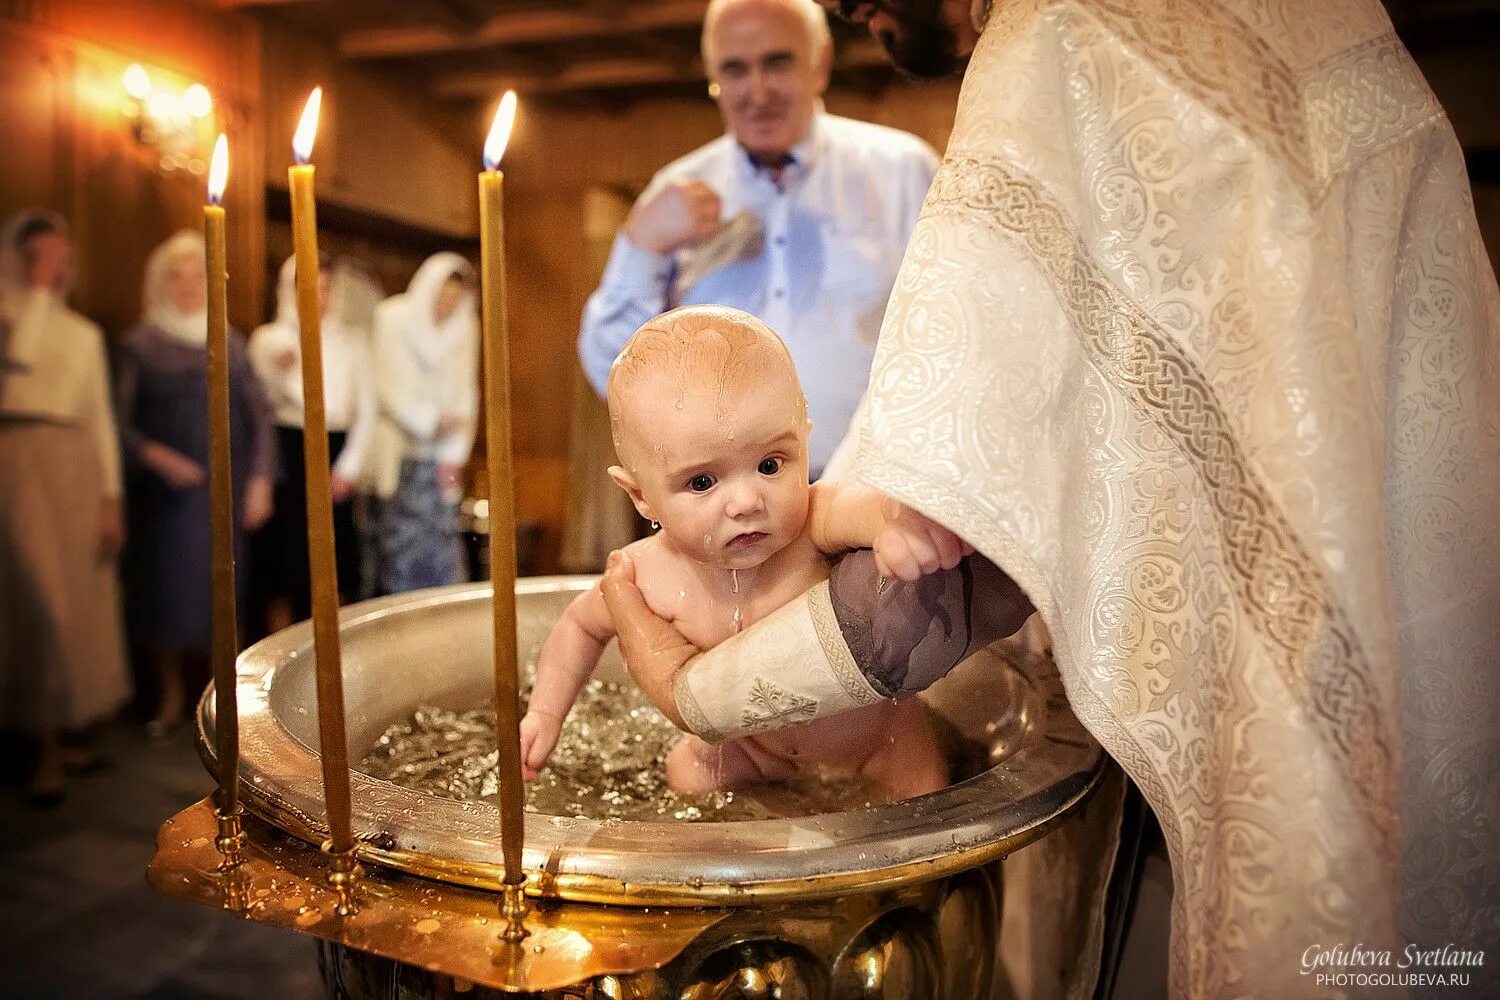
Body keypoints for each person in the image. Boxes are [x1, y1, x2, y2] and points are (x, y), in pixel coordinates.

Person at [597, 1, 1500, 996]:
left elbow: (938, 547)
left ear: (815, 66)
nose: (856, 9)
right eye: (734, 68)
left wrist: (683, 682)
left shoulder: (1057, 40)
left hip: (861, 528)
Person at [521, 306, 957, 799]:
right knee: (689, 771)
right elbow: (581, 625)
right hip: (755, 752)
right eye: (702, 481)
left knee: (921, 798)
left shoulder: (812, 524)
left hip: (879, 743)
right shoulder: (648, 576)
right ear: (641, 495)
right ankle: (758, 847)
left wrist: (895, 525)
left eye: (771, 464)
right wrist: (544, 713)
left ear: (806, 445)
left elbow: (859, 504)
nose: (748, 501)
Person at [577, 0, 938, 478]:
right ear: (712, 76)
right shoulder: (675, 188)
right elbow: (612, 372)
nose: (758, 91)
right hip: (727, 512)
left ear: (821, 63)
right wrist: (640, 246)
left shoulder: (904, 172)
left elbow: (948, 340)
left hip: (877, 495)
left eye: (778, 62)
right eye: (735, 69)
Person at [116, 230, 276, 735]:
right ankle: (168, 696)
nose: (188, 287)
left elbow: (261, 418)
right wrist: (157, 457)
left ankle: (219, 699)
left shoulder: (229, 341)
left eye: (196, 277)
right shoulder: (138, 344)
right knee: (164, 595)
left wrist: (261, 482)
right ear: (161, 284)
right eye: (177, 278)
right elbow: (116, 423)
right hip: (163, 500)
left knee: (221, 594)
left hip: (222, 496)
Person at [0, 209, 130, 804]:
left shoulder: (82, 333)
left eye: (58, 259)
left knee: (80, 604)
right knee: (39, 603)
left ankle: (69, 729)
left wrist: (111, 498)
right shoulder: (9, 322)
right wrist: (33, 292)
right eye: (36, 258)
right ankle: (40, 746)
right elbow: (21, 358)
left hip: (76, 468)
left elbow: (100, 416)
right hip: (19, 462)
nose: (50, 270)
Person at [249, 256, 374, 631]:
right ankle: (282, 641)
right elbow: (257, 404)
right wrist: (277, 372)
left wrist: (349, 467)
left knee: (336, 553)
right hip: (287, 447)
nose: (318, 297)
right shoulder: (268, 340)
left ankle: (333, 640)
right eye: (309, 288)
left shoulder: (353, 342)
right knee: (287, 554)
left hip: (335, 448)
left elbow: (366, 408)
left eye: (324, 288)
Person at [367, 253, 478, 593]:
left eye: (455, 298)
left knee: (442, 550)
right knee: (395, 550)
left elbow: (466, 389)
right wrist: (429, 420)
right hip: (400, 453)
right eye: (443, 295)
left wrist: (455, 453)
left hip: (442, 456)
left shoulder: (465, 326)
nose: (448, 305)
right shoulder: (392, 318)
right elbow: (384, 385)